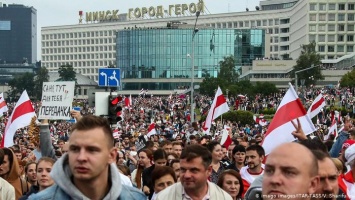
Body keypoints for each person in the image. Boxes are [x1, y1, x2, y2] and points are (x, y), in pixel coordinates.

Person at [28, 115, 146, 199]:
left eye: (92, 150)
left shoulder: (135, 198)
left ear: (111, 155)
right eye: (74, 149)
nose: (81, 157)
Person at [156, 144, 232, 200]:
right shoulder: (163, 197)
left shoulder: (223, 197)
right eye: (183, 169)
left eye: (194, 170)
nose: (187, 175)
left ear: (209, 170)